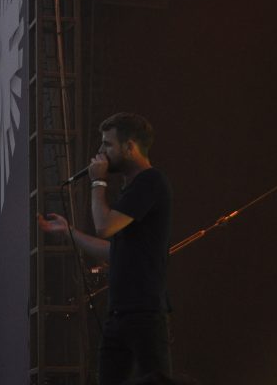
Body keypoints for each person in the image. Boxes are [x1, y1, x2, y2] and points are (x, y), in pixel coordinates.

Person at [39, 112, 172, 384]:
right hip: (119, 312)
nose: (100, 152)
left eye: (107, 144)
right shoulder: (131, 189)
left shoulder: (151, 181)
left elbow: (104, 226)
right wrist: (70, 232)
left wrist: (98, 182)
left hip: (144, 310)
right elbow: (114, 251)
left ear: (130, 146)